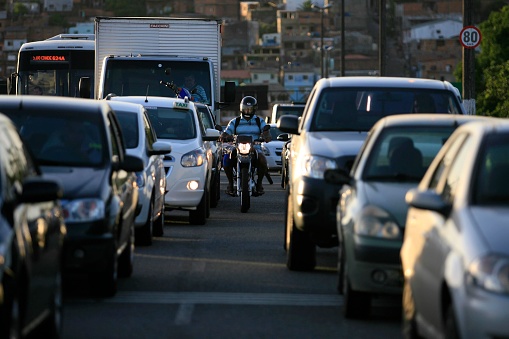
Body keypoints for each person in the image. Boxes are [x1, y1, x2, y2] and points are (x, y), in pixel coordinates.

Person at [221, 96, 271, 196]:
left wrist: (266, 135)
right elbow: (227, 131)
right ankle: (230, 184)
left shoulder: (259, 121)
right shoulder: (235, 121)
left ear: (254, 109)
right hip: (238, 147)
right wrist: (224, 136)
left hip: (255, 148)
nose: (247, 111)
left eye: (250, 109)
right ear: (241, 108)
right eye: (245, 109)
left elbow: (266, 132)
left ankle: (259, 184)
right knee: (226, 159)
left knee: (263, 160)